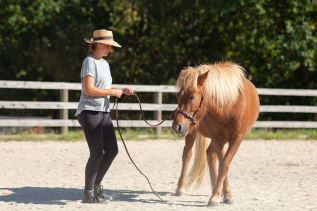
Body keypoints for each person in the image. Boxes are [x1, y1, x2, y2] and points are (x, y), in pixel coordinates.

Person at [75, 29, 134, 204]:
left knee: (112, 150)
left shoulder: (104, 64)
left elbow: (105, 87)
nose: (110, 49)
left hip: (103, 112)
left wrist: (121, 91)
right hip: (89, 112)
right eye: (108, 45)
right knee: (96, 152)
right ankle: (89, 194)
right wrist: (112, 92)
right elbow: (89, 89)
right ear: (98, 44)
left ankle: (96, 187)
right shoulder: (89, 62)